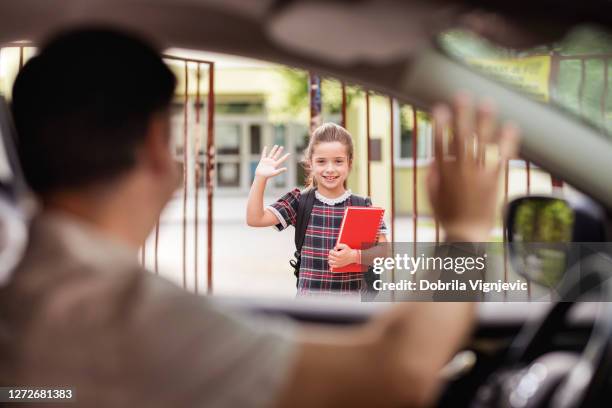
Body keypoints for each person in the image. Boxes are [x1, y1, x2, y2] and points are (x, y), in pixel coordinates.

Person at [0, 28, 518, 407]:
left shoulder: (33, 286)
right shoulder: (130, 318)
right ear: (158, 145)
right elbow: (398, 375)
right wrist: (466, 230)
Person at [246, 123, 387, 295]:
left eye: (338, 161)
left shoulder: (363, 206)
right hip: (309, 308)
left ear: (349, 163)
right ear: (310, 163)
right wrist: (260, 178)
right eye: (321, 161)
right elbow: (255, 219)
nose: (330, 169)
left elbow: (384, 252)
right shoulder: (299, 201)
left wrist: (354, 256)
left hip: (351, 308)